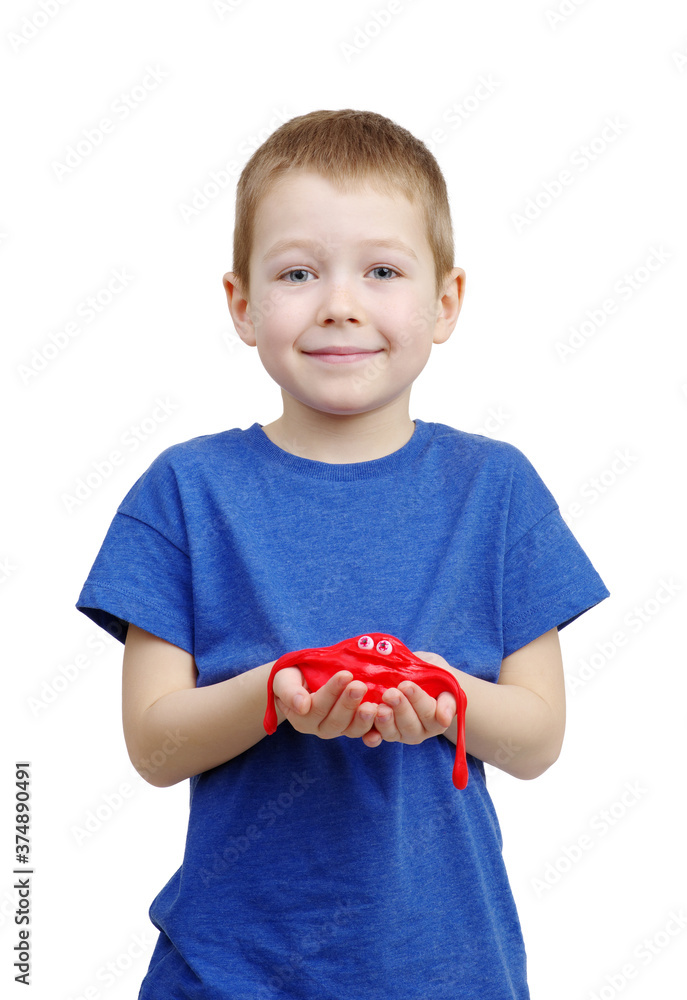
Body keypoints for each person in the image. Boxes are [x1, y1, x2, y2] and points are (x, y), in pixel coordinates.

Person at [76, 108, 610, 999]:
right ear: (242, 304)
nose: (340, 302)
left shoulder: (496, 490)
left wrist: (444, 698)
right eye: (296, 272)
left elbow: (537, 738)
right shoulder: (186, 491)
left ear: (445, 302)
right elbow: (155, 746)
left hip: (446, 970)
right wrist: (275, 694)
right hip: (226, 971)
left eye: (382, 270)